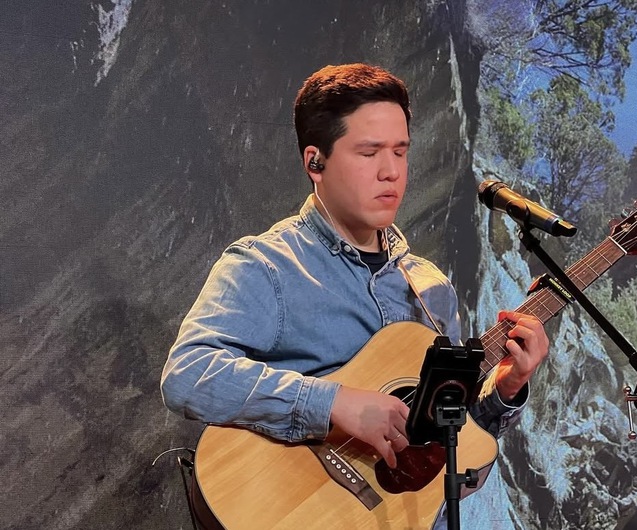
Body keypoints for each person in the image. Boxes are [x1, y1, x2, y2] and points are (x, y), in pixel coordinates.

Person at [160, 63, 549, 528]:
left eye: (400, 152)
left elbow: (448, 457)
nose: (391, 172)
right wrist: (333, 405)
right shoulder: (266, 264)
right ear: (315, 163)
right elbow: (187, 374)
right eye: (369, 152)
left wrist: (505, 389)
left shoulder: (432, 291)